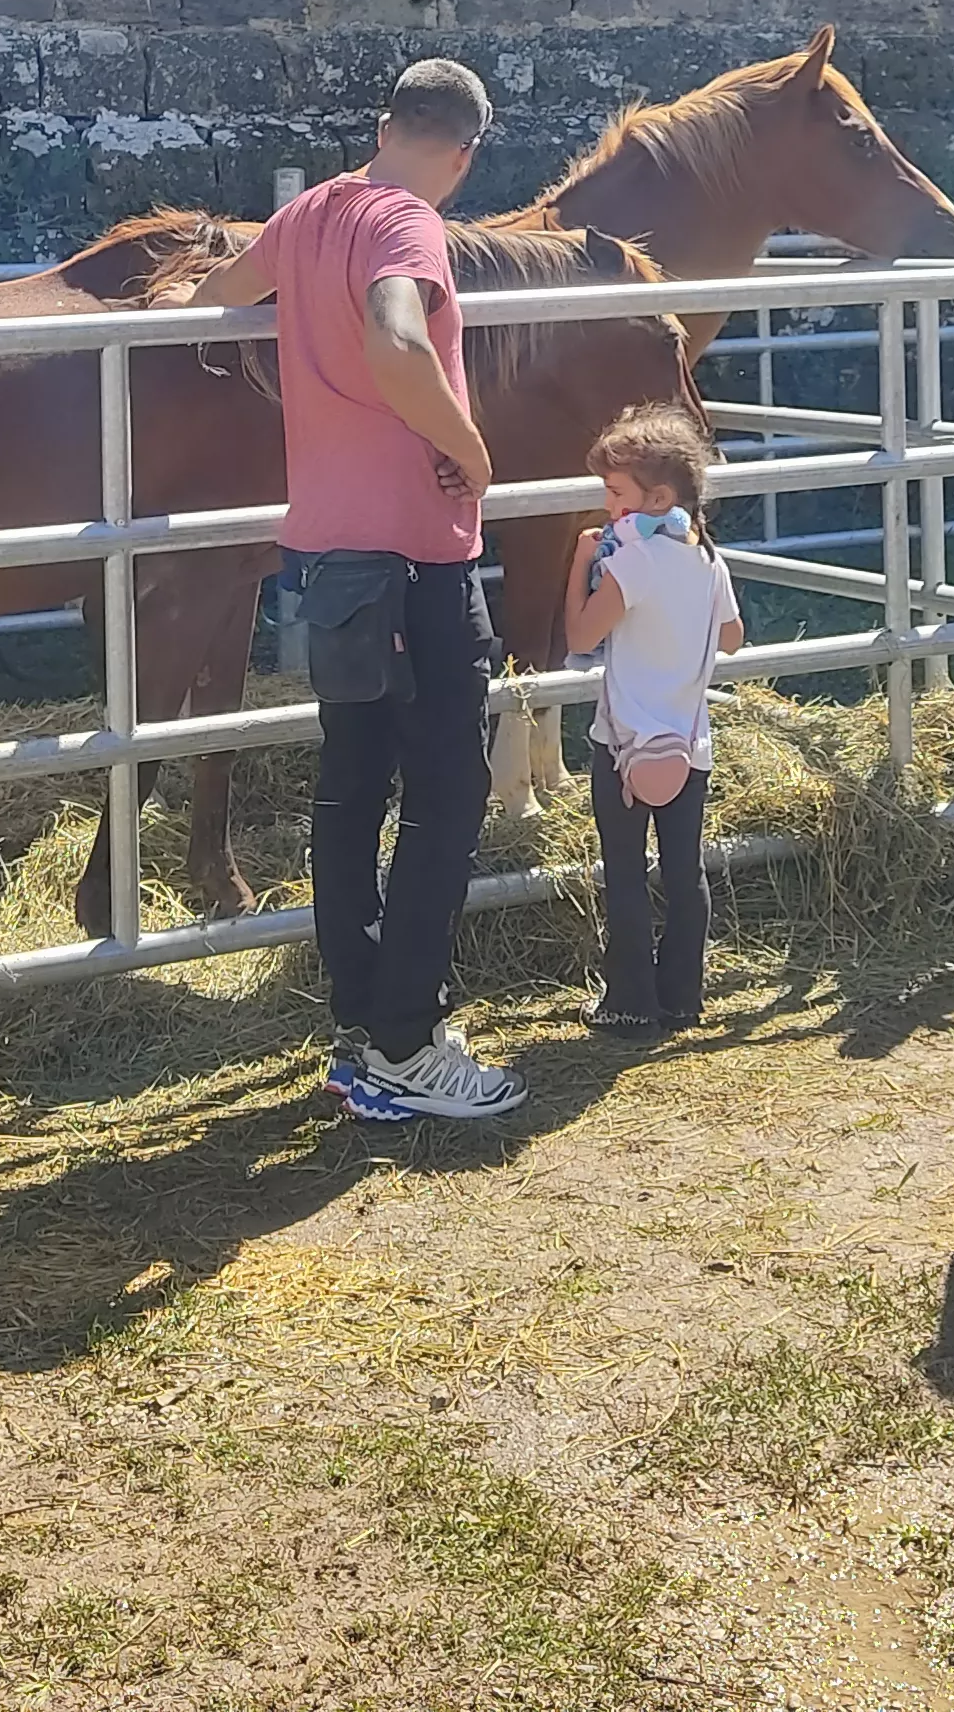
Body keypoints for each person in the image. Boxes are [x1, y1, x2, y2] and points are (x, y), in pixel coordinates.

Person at [194, 59, 527, 1124]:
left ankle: (360, 1024)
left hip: (327, 551)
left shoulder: (307, 214)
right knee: (447, 797)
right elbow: (396, 337)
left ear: (385, 126)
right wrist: (468, 448)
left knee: (347, 790)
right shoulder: (408, 226)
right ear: (465, 155)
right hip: (417, 555)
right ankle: (407, 1044)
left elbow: (214, 295)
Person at [561, 402, 745, 1037]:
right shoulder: (708, 560)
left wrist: (581, 565)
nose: (608, 505)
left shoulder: (630, 563)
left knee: (626, 874)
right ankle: (682, 997)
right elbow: (732, 638)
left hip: (623, 746)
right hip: (689, 746)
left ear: (657, 497)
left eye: (616, 493)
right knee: (684, 871)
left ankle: (630, 1004)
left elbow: (580, 635)